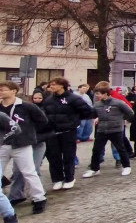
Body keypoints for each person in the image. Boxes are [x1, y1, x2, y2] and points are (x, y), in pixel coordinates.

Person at [0, 82, 48, 214]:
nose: (1, 92)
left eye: (3, 90)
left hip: (21, 144)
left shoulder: (26, 106)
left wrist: (28, 133)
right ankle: (4, 201)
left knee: (29, 172)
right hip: (3, 145)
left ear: (13, 91)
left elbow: (42, 121)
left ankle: (39, 198)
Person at [41, 77, 93, 190]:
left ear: (62, 85)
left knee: (68, 156)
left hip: (68, 131)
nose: (52, 87)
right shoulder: (49, 100)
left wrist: (74, 121)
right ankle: (57, 179)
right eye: (51, 84)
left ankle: (69, 178)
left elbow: (87, 111)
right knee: (54, 157)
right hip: (53, 132)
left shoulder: (73, 98)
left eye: (54, 84)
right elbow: (44, 114)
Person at [82, 85, 134, 178]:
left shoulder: (118, 103)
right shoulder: (97, 104)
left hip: (116, 129)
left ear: (105, 94)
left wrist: (121, 120)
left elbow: (130, 112)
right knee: (96, 150)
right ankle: (94, 168)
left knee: (120, 148)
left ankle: (126, 166)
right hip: (102, 129)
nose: (97, 96)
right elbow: (93, 114)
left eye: (98, 94)